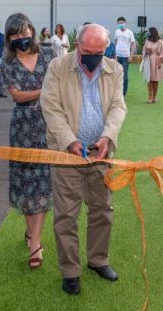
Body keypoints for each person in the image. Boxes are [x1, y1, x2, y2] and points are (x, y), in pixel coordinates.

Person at [40, 23, 127, 296]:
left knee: (102, 209)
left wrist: (108, 137)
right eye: (88, 51)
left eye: (99, 52)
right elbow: (50, 106)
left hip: (101, 153)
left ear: (106, 49)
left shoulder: (115, 69)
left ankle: (98, 260)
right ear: (77, 45)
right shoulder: (58, 66)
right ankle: (70, 272)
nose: (93, 57)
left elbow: (117, 106)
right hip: (66, 153)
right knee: (66, 215)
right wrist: (70, 141)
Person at [1, 13, 56, 268]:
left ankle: (35, 241)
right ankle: (31, 234)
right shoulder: (7, 63)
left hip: (49, 127)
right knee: (27, 184)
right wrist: (45, 92)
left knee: (43, 183)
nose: (22, 39)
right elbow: (18, 96)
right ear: (9, 39)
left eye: (25, 33)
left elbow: (61, 84)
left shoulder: (48, 54)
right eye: (16, 36)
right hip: (23, 128)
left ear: (32, 31)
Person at [142, 27, 163, 103]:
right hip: (148, 61)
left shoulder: (160, 42)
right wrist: (146, 51)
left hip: (156, 61)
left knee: (155, 80)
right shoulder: (147, 41)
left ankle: (154, 97)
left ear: (153, 33)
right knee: (149, 79)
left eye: (149, 32)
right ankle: (150, 97)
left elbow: (162, 54)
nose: (148, 33)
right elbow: (143, 51)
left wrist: (159, 62)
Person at [114, 16, 135, 96]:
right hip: (118, 56)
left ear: (125, 23)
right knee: (117, 74)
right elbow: (115, 42)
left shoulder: (129, 33)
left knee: (124, 75)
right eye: (119, 23)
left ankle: (124, 92)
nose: (121, 24)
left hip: (126, 56)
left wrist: (131, 55)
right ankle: (117, 91)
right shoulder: (117, 32)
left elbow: (133, 44)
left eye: (122, 23)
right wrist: (115, 55)